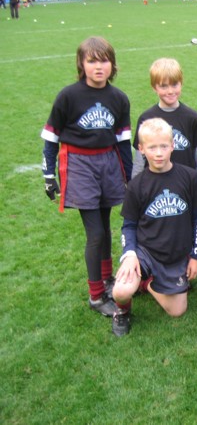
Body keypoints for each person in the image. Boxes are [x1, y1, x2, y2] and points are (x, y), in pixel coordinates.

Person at [41, 36, 132, 318]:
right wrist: (48, 174)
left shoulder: (118, 98)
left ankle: (106, 279)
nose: (98, 66)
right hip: (79, 163)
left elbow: (123, 141)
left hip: (108, 162)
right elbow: (50, 138)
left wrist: (129, 177)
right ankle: (96, 296)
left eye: (104, 60)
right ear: (81, 64)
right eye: (92, 61)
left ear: (112, 64)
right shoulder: (68, 96)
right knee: (94, 233)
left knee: (105, 227)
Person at [111, 118, 197, 336]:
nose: (158, 153)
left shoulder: (190, 177)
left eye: (164, 146)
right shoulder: (137, 185)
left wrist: (196, 256)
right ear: (141, 148)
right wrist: (129, 255)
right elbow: (128, 226)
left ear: (173, 146)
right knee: (121, 291)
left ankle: (146, 284)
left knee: (177, 311)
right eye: (152, 147)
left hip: (176, 255)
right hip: (146, 252)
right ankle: (122, 312)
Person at [132, 58, 197, 178]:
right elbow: (140, 159)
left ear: (181, 83)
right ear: (154, 87)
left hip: (185, 182)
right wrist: (134, 185)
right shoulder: (146, 118)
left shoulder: (193, 118)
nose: (170, 91)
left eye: (175, 84)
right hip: (154, 183)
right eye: (164, 86)